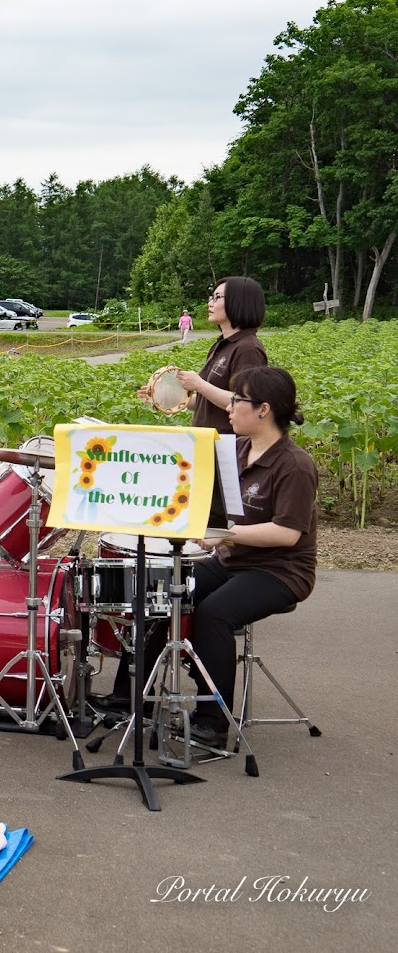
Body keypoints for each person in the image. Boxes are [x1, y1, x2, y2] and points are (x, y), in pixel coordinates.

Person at [131, 367, 318, 747]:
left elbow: (287, 533)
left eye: (237, 400)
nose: (228, 407)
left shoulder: (295, 464)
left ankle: (213, 721)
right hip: (234, 559)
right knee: (163, 592)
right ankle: (131, 700)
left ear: (263, 409)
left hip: (281, 571)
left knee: (215, 612)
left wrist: (224, 535)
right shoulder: (234, 448)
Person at [172, 277, 267, 435]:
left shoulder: (248, 349)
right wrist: (168, 397)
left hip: (229, 447)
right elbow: (207, 402)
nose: (210, 304)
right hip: (206, 443)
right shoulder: (222, 344)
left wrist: (199, 384)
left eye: (217, 298)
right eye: (211, 298)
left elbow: (246, 403)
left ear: (239, 302)